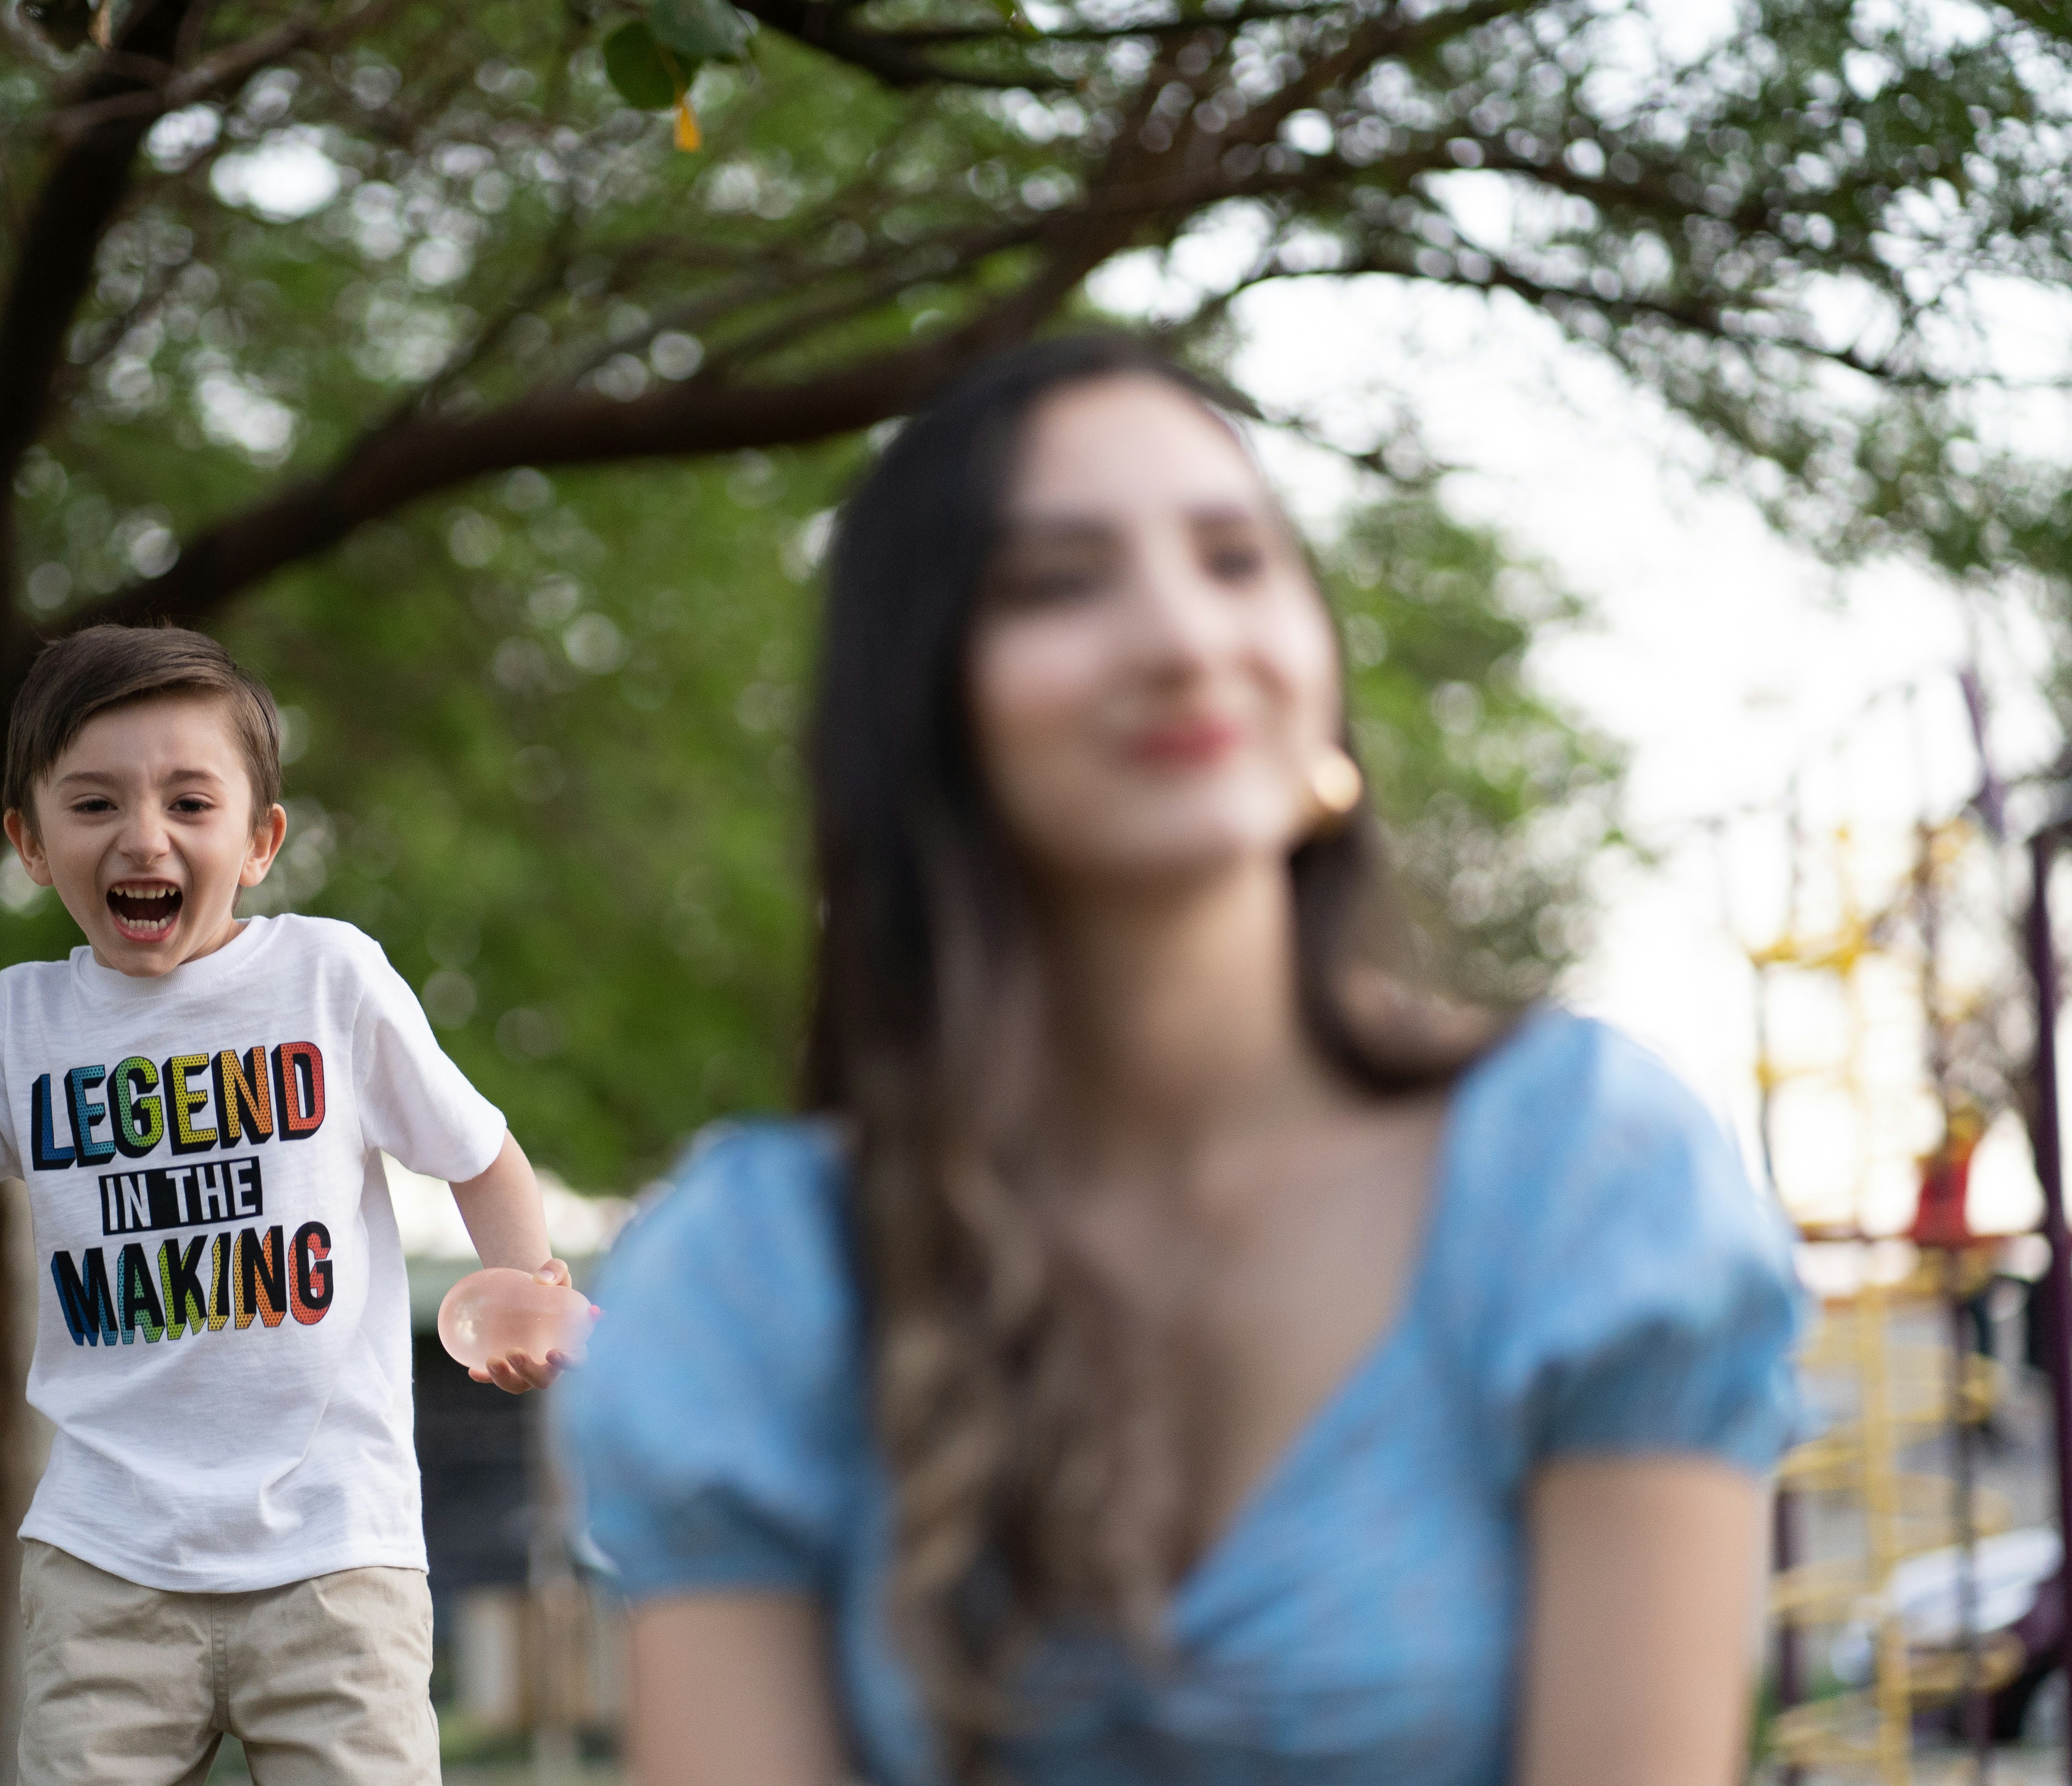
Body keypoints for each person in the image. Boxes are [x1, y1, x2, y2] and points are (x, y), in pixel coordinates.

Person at [559, 336, 1806, 1786]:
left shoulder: (1586, 1177)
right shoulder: (754, 1277)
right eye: (1058, 584)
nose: (1182, 639)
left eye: (1234, 560)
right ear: (923, 705)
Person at [0, 624, 568, 1786]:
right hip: (107, 1563)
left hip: (334, 1554)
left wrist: (528, 1290)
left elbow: (481, 1153)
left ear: (259, 841)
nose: (143, 836)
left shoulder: (329, 979)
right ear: (32, 843)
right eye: (95, 803)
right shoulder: (20, 1025)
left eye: (190, 803)